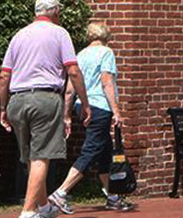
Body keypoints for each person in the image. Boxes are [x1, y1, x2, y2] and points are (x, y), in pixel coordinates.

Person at [0, 0, 90, 218]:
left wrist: (3, 108)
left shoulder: (19, 35)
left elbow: (3, 76)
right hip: (45, 98)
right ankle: (28, 212)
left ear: (36, 13)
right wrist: (85, 103)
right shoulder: (60, 33)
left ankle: (44, 207)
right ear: (56, 12)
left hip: (17, 99)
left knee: (31, 156)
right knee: (41, 156)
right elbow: (73, 71)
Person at [48, 22, 134, 214]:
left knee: (104, 153)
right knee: (91, 151)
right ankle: (60, 193)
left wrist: (67, 115)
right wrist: (117, 111)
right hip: (100, 108)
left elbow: (70, 89)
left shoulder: (80, 55)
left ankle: (112, 197)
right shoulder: (106, 53)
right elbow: (107, 83)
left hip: (83, 108)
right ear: (106, 36)